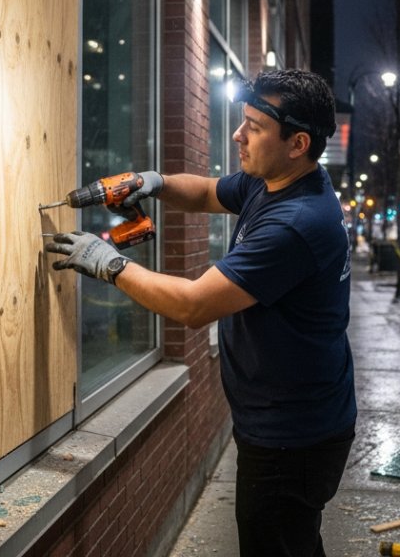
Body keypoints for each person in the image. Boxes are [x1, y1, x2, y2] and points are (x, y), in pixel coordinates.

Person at [45, 68, 356, 557]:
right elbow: (209, 192)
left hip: (292, 438)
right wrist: (154, 183)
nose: (238, 134)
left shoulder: (296, 223)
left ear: (298, 143)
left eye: (253, 126)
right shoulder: (275, 181)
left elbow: (193, 306)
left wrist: (108, 263)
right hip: (291, 422)